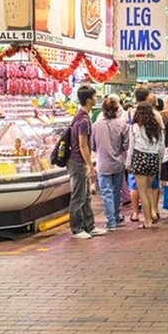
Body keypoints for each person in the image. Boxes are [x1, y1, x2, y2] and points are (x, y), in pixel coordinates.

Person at [69, 85, 105, 240]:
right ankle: (77, 229)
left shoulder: (81, 116)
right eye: (94, 96)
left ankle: (89, 226)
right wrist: (90, 165)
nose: (96, 99)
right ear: (89, 99)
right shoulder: (83, 120)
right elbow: (82, 144)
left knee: (85, 196)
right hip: (78, 161)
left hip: (79, 160)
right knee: (78, 196)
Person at [92, 96, 129, 232]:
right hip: (118, 162)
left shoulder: (96, 126)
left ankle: (111, 221)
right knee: (116, 192)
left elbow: (92, 145)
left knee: (106, 192)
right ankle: (116, 216)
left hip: (102, 163)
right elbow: (126, 145)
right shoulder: (122, 125)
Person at [126, 103, 166, 228]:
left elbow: (131, 147)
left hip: (139, 157)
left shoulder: (135, 127)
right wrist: (159, 161)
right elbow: (161, 147)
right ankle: (152, 213)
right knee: (149, 189)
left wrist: (128, 162)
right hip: (153, 158)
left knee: (142, 191)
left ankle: (147, 220)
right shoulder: (158, 128)